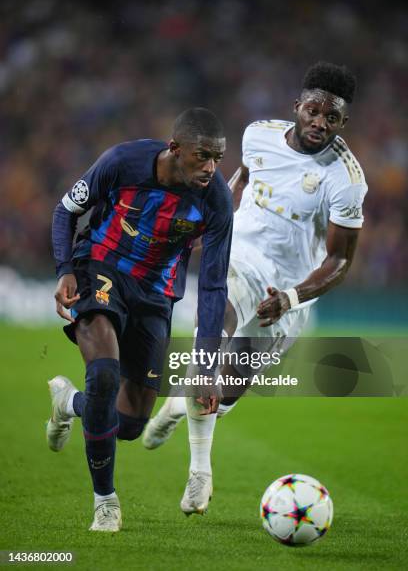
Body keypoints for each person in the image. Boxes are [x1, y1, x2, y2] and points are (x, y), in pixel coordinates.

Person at [142, 61, 368, 515]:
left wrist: (291, 298)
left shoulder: (346, 179)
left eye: (332, 118)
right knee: (215, 329)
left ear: (343, 123)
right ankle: (200, 474)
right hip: (238, 260)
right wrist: (217, 214)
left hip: (286, 290)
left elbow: (340, 259)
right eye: (313, 111)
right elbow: (245, 175)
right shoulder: (258, 133)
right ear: (297, 107)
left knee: (226, 390)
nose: (320, 123)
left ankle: (175, 407)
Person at [47, 108, 233, 532]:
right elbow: (65, 211)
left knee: (129, 424)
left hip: (156, 293)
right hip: (102, 267)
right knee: (105, 376)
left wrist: (205, 368)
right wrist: (64, 269)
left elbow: (212, 288)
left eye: (217, 159)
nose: (210, 168)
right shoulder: (121, 163)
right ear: (174, 148)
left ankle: (68, 404)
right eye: (202, 156)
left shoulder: (217, 199)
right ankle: (105, 501)